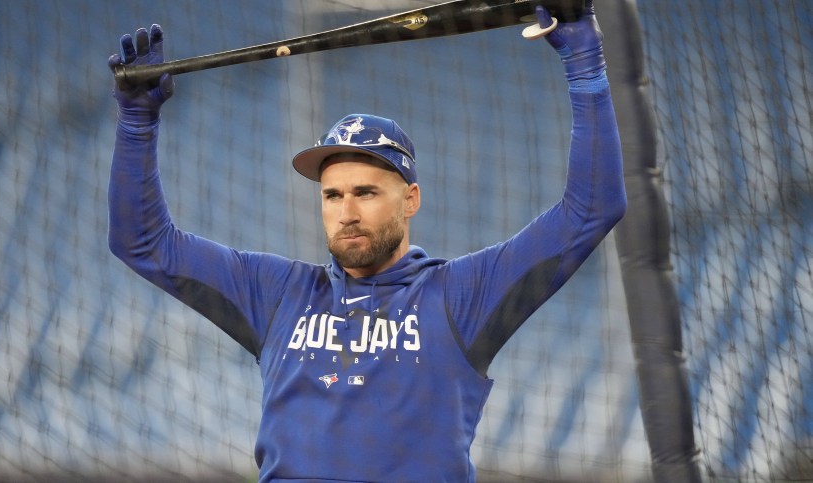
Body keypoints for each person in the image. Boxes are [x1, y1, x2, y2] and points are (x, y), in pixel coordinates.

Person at [107, 1, 625, 481]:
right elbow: (143, 242)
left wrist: (585, 62)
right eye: (332, 196)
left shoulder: (461, 296)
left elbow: (590, 210)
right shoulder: (278, 292)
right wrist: (136, 125)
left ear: (411, 199)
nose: (346, 213)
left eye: (366, 192)